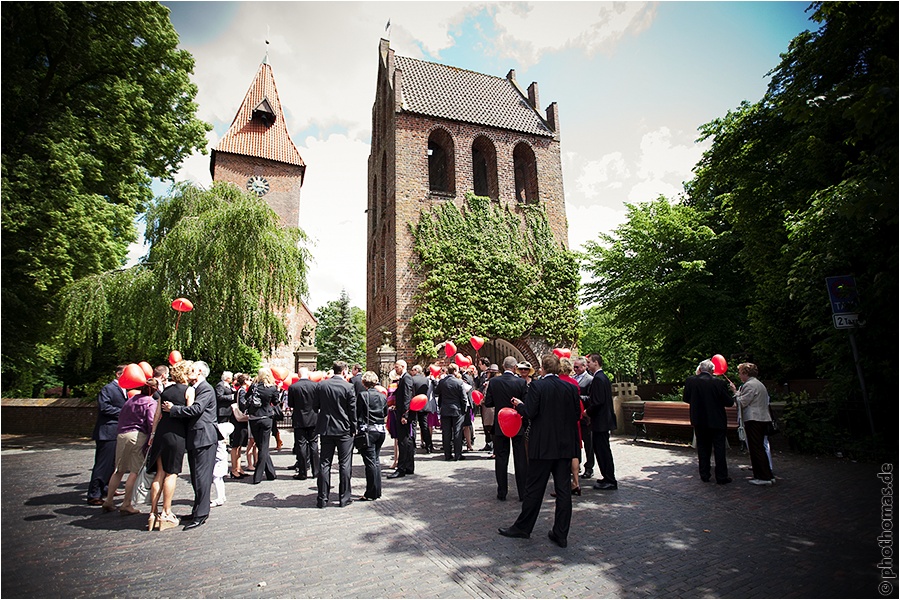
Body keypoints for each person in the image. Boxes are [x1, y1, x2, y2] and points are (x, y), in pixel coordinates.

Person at [498, 353, 582, 548]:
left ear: (543, 368)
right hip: (564, 447)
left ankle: (523, 528)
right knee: (563, 491)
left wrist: (519, 405)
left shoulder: (537, 386)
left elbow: (530, 413)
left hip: (542, 447)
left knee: (534, 489)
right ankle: (561, 533)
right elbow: (576, 414)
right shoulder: (569, 387)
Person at [162, 360, 218, 530]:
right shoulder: (195, 388)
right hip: (195, 437)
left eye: (192, 370)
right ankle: (197, 510)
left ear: (200, 371)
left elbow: (196, 409)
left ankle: (201, 514)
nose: (188, 372)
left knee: (202, 477)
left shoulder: (206, 389)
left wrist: (173, 409)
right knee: (196, 476)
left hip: (205, 438)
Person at [147, 360, 195, 531]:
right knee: (171, 473)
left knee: (159, 473)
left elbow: (156, 415)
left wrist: (152, 435)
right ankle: (166, 512)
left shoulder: (165, 391)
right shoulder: (188, 390)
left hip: (161, 432)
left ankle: (152, 513)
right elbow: (189, 415)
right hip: (177, 434)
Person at [102, 378, 157, 515]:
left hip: (122, 435)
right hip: (137, 436)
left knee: (118, 469)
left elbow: (121, 416)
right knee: (134, 471)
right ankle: (126, 504)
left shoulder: (130, 400)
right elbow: (150, 421)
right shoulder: (150, 402)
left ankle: (108, 500)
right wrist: (152, 436)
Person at [483, 356, 528, 501]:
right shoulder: (521, 382)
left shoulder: (494, 382)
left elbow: (488, 403)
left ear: (503, 366)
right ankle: (523, 492)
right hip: (517, 423)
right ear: (515, 368)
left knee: (501, 458)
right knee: (520, 458)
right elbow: (526, 404)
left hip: (501, 422)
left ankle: (502, 492)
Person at [683, 359, 735, 484]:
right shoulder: (719, 383)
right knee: (719, 448)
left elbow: (686, 398)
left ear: (700, 369)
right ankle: (721, 476)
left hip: (699, 420)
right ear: (712, 371)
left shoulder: (690, 381)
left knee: (702, 448)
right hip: (717, 421)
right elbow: (729, 402)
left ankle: (704, 474)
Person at [314, 361, 357, 508]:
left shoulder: (322, 385)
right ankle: (344, 498)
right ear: (344, 371)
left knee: (325, 463)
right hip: (344, 429)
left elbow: (316, 406)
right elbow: (352, 410)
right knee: (344, 463)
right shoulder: (348, 387)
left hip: (326, 429)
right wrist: (354, 426)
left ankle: (322, 498)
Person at [87, 365, 128, 505]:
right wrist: (124, 412)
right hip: (107, 432)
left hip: (118, 431)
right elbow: (104, 407)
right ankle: (94, 494)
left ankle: (106, 488)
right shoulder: (108, 389)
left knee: (112, 464)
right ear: (118, 374)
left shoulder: (125, 390)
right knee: (102, 464)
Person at [730, 363, 775, 485]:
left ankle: (762, 477)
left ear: (745, 373)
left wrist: (735, 392)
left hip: (754, 419)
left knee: (756, 448)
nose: (739, 376)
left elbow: (742, 402)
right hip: (762, 419)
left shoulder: (749, 385)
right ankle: (767, 474)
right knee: (759, 447)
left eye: (740, 373)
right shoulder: (759, 384)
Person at [585, 353, 617, 490]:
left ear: (596, 363)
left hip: (600, 422)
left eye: (589, 362)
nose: (588, 365)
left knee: (602, 450)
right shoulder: (602, 378)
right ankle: (607, 476)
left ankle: (609, 479)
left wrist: (587, 412)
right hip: (603, 420)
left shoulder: (598, 379)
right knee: (602, 449)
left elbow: (597, 402)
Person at [354, 371, 387, 501]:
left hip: (368, 431)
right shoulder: (382, 396)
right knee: (376, 461)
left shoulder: (362, 395)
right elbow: (385, 413)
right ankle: (377, 490)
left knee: (370, 463)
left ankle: (371, 492)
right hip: (381, 431)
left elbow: (358, 413)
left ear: (363, 382)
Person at [246, 368, 279, 484]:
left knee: (261, 446)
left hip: (254, 418)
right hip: (266, 417)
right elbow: (275, 402)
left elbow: (246, 398)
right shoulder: (272, 388)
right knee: (264, 447)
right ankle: (258, 476)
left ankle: (271, 473)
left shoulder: (253, 386)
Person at [557, 357, 583, 496]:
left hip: (560, 423)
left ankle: (562, 484)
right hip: (573, 422)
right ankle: (576, 482)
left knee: (561, 454)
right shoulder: (574, 383)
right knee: (574, 452)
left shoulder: (556, 383)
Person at [287, 367, 320, 480]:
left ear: (298, 375)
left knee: (301, 445)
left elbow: (290, 404)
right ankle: (316, 471)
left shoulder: (293, 387)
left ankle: (302, 472)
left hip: (299, 418)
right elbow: (318, 403)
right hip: (313, 418)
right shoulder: (316, 386)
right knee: (314, 444)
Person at [387, 359, 416, 478]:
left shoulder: (406, 378)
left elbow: (407, 397)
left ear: (403, 366)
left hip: (404, 414)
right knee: (406, 440)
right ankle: (408, 466)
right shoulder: (404, 378)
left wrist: (405, 415)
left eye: (397, 367)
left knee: (403, 441)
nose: (395, 369)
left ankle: (402, 468)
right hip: (402, 412)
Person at [435, 363, 467, 461]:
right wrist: (464, 409)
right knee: (457, 432)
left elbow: (436, 392)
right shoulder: (459, 382)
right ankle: (458, 454)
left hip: (445, 409)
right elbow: (464, 398)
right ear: (455, 371)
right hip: (457, 409)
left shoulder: (442, 382)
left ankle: (447, 454)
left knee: (446, 433)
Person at [572, 356, 594, 478]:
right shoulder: (573, 378)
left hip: (585, 416)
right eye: (574, 367)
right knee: (576, 443)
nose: (575, 369)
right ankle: (576, 465)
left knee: (588, 443)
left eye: (577, 367)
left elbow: (592, 398)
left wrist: (579, 398)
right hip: (576, 417)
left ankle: (589, 467)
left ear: (584, 367)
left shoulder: (590, 380)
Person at [228, 373, 250, 478]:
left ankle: (238, 467)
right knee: (236, 445)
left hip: (241, 422)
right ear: (245, 381)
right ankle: (234, 470)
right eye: (249, 379)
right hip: (238, 422)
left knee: (240, 445)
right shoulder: (241, 391)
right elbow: (242, 405)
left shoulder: (242, 391)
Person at [410, 364, 434, 453]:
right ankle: (429, 446)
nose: (411, 372)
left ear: (416, 370)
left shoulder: (412, 380)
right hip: (423, 404)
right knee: (424, 426)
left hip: (414, 404)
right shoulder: (426, 380)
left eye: (412, 370)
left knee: (413, 426)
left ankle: (413, 447)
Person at [211, 421, 234, 507]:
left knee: (217, 479)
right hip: (222, 460)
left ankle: (220, 498)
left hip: (219, 460)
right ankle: (222, 496)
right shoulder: (223, 437)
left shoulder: (219, 439)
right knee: (219, 479)